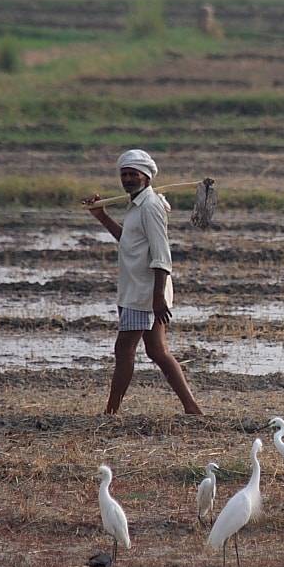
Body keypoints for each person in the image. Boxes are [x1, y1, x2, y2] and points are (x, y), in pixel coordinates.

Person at [83, 149, 202, 415]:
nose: (127, 178)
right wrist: (101, 216)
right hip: (135, 289)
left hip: (144, 293)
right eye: (124, 174)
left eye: (132, 174)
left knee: (123, 349)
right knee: (158, 352)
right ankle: (192, 408)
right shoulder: (136, 204)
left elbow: (162, 255)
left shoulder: (150, 207)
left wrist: (157, 297)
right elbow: (130, 242)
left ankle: (111, 412)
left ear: (145, 177)